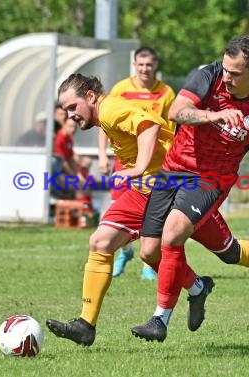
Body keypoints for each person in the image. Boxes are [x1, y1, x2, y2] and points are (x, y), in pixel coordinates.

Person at [131, 35, 249, 343]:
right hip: (173, 171)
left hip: (211, 181)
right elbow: (176, 111)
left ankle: (159, 320)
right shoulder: (209, 75)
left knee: (173, 233)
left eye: (235, 73)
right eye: (226, 68)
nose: (227, 76)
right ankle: (206, 287)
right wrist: (213, 115)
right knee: (154, 252)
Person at [46, 74, 224, 347]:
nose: (70, 115)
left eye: (73, 107)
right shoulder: (105, 113)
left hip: (165, 185)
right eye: (66, 110)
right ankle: (85, 325)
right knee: (101, 241)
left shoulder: (110, 108)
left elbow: (149, 126)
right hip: (145, 188)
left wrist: (138, 168)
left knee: (230, 252)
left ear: (91, 97)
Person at [99, 46, 177, 280]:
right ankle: (125, 251)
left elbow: (170, 129)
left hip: (154, 163)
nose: (145, 69)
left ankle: (147, 263)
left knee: (150, 210)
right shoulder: (121, 89)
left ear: (156, 66)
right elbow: (105, 123)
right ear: (135, 65)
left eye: (149, 65)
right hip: (124, 161)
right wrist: (102, 154)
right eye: (141, 64)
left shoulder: (166, 92)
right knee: (118, 208)